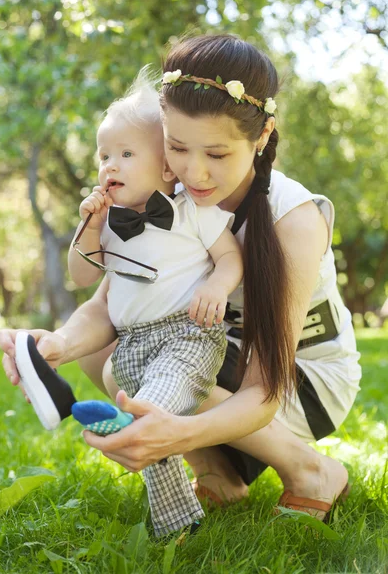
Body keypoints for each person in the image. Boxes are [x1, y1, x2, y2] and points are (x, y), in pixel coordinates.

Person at [0, 33, 361, 523]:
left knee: (158, 364)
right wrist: (56, 346)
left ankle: (312, 472)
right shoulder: (166, 197)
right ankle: (219, 477)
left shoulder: (291, 218)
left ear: (261, 136)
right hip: (213, 352)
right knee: (116, 352)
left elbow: (263, 391)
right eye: (177, 147)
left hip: (298, 378)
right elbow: (108, 306)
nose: (193, 172)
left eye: (217, 154)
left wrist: (174, 433)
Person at [17, 74, 244, 537]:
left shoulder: (191, 212)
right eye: (103, 156)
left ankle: (126, 424)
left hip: (188, 336)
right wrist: (92, 226)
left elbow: (230, 259)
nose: (108, 166)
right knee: (148, 425)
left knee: (149, 415)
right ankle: (176, 522)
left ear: (165, 168)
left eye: (124, 154)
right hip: (133, 349)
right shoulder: (108, 225)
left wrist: (217, 289)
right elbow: (83, 277)